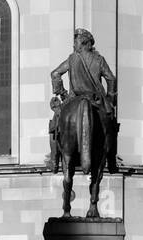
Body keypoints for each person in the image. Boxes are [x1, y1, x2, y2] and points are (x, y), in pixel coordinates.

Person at [50, 28, 121, 173]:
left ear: (84, 42)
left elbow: (55, 73)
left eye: (75, 42)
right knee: (112, 125)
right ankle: (112, 161)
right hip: (96, 101)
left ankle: (54, 160)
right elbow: (111, 79)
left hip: (74, 99)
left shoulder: (71, 59)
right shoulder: (99, 60)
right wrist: (110, 98)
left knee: (56, 122)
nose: (74, 45)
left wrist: (62, 93)